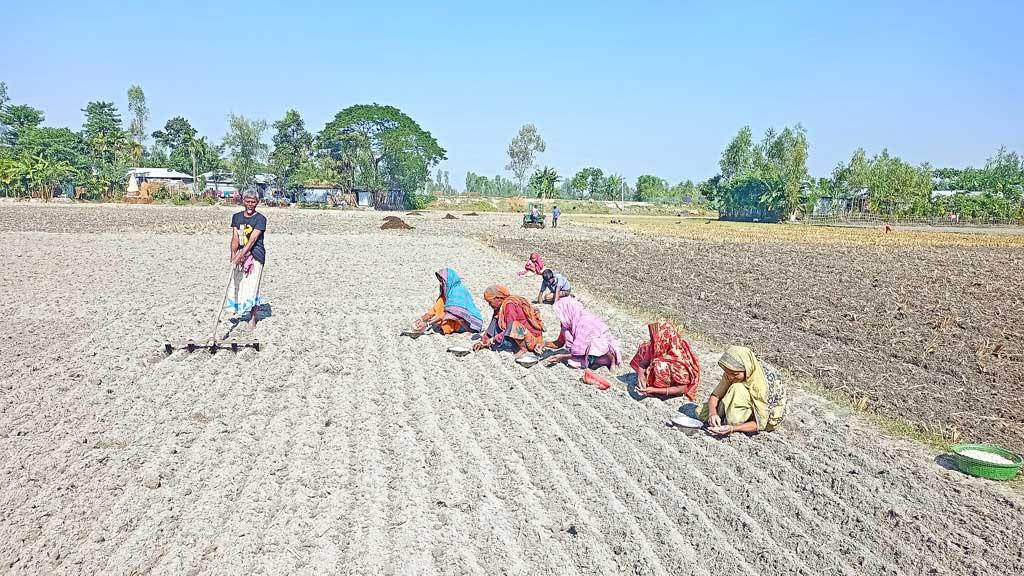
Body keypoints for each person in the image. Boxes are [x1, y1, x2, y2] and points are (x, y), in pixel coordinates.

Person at [697, 346, 788, 436]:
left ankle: (734, 420)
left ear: (747, 370)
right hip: (738, 402)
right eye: (727, 372)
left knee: (737, 389)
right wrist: (712, 414)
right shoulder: (730, 373)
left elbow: (760, 423)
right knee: (701, 412)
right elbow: (715, 396)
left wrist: (733, 428)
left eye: (735, 374)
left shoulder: (761, 384)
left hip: (761, 417)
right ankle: (726, 417)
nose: (730, 377)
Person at [543, 298, 621, 389]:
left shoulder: (584, 321)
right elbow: (559, 343)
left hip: (602, 352)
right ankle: (592, 363)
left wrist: (562, 356)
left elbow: (581, 349)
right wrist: (543, 344)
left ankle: (611, 363)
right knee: (571, 362)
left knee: (598, 345)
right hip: (585, 353)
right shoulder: (567, 324)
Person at [630, 321, 702, 400]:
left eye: (655, 339)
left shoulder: (679, 361)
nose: (653, 341)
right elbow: (643, 364)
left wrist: (654, 390)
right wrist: (641, 377)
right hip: (661, 369)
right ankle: (652, 380)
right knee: (645, 346)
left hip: (677, 384)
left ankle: (661, 385)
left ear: (664, 339)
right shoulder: (655, 346)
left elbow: (682, 389)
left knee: (660, 365)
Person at [228, 190, 267, 329]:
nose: (250, 204)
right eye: (248, 201)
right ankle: (239, 310)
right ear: (243, 201)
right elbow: (235, 237)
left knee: (253, 286)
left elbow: (252, 240)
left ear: (257, 202)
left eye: (253, 202)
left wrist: (242, 255)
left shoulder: (260, 219)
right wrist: (234, 255)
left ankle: (253, 317)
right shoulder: (237, 217)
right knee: (238, 284)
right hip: (240, 253)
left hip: (255, 254)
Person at [473, 284, 545, 358]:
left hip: (531, 339)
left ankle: (523, 349)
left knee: (514, 326)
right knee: (496, 320)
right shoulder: (500, 307)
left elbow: (510, 328)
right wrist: (482, 341)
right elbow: (492, 325)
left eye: (490, 302)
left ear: (498, 298)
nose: (490, 305)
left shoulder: (510, 305)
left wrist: (493, 340)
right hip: (520, 335)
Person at [412, 268, 483, 335]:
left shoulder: (458, 291)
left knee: (453, 314)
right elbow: (434, 309)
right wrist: (421, 319)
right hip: (455, 320)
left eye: (442, 281)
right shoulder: (448, 292)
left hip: (468, 323)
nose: (440, 283)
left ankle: (451, 327)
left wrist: (427, 324)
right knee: (441, 302)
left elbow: (450, 313)